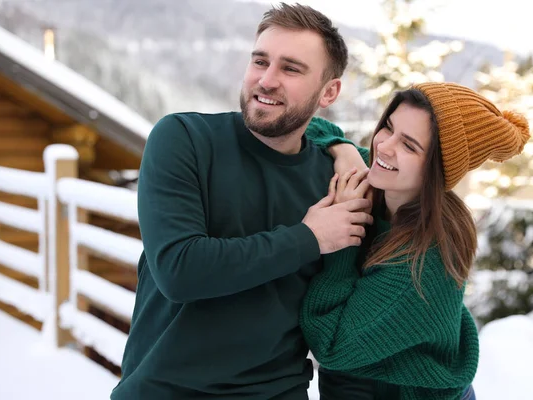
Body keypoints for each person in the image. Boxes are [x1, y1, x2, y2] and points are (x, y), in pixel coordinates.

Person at [110, 3, 370, 400]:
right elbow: (180, 270)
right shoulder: (184, 139)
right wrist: (309, 237)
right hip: (163, 391)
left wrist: (344, 147)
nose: (266, 80)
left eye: (291, 69)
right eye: (260, 61)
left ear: (329, 91)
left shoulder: (337, 181)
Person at [300, 82, 531, 399]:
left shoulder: (423, 259)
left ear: (436, 169)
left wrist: (343, 233)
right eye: (389, 127)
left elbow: (331, 345)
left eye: (409, 146)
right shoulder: (389, 182)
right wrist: (345, 150)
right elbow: (308, 125)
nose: (384, 147)